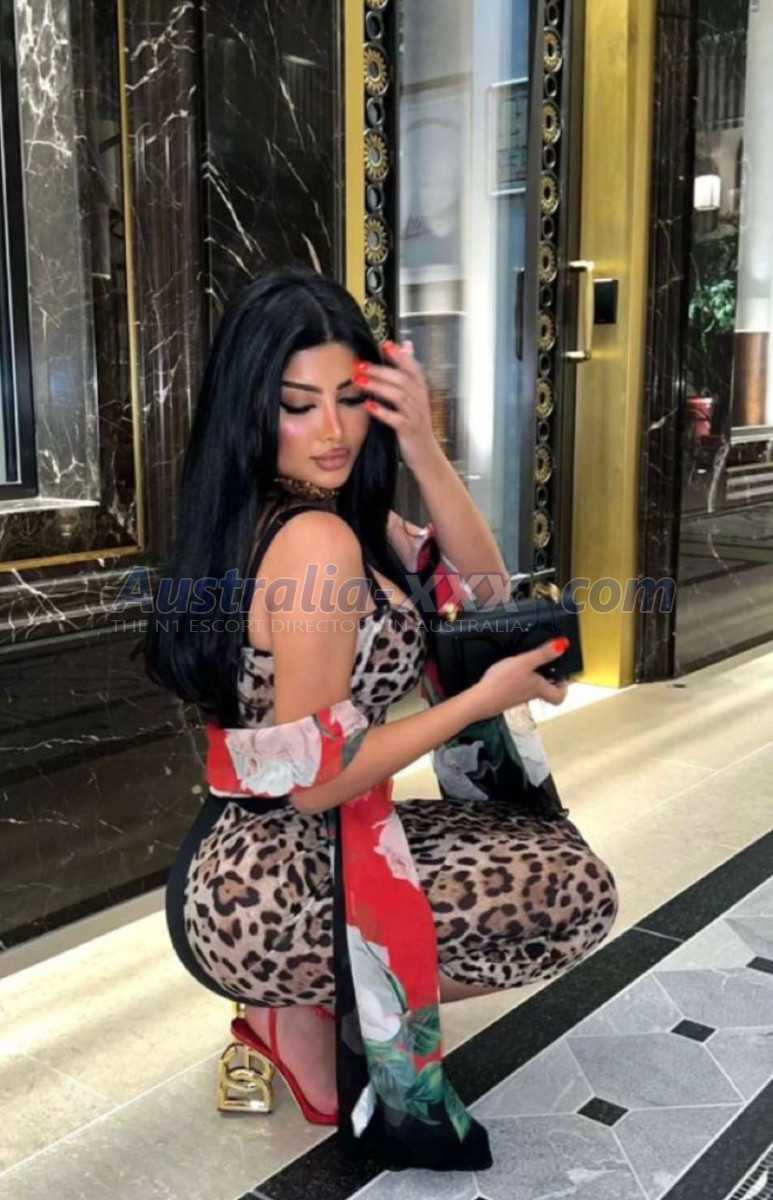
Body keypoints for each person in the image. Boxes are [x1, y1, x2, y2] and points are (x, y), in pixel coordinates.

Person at [145, 268, 618, 1169]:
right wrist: (480, 701)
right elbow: (317, 781)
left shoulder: (320, 516)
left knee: (544, 858)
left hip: (260, 844)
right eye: (299, 405)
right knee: (573, 893)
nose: (332, 430)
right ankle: (294, 999)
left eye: (351, 399)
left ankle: (298, 1004)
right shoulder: (314, 542)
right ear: (252, 408)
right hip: (274, 876)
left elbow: (482, 589)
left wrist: (424, 453)